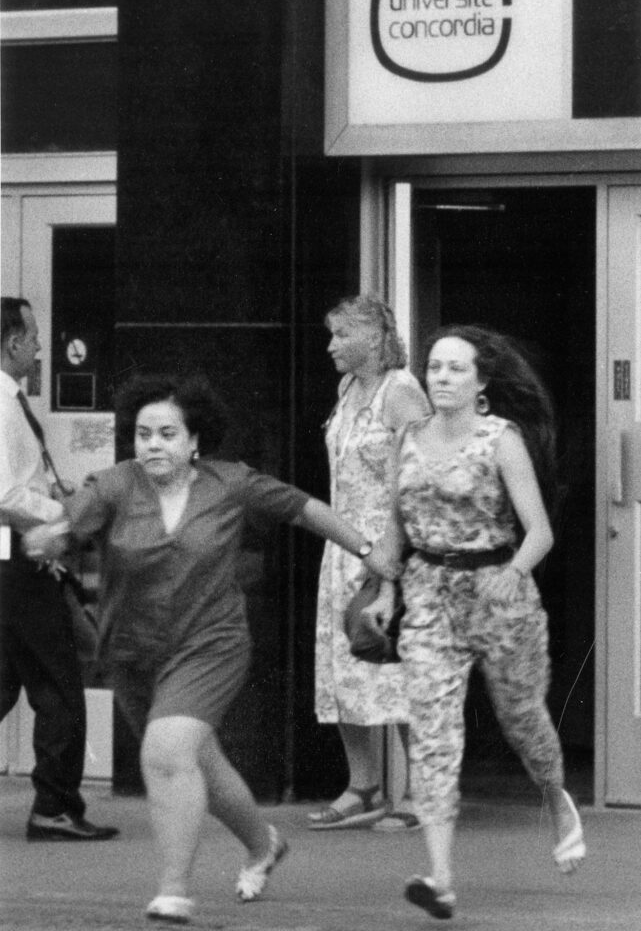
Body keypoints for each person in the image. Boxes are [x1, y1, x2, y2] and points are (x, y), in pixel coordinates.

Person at [25, 372, 394, 925]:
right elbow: (64, 522)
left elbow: (304, 508)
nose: (153, 444)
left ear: (194, 440)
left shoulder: (231, 484)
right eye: (144, 434)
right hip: (132, 650)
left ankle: (173, 890)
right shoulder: (114, 486)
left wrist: (368, 550)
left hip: (211, 644)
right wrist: (45, 536)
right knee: (201, 763)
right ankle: (264, 845)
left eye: (168, 434)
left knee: (167, 752)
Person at [366, 324, 586, 920]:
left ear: (482, 381)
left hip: (498, 595)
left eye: (456, 368)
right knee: (434, 737)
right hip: (429, 598)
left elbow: (539, 531)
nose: (441, 377)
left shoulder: (500, 441)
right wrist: (386, 589)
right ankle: (439, 879)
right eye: (435, 367)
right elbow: (396, 530)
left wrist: (513, 572)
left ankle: (555, 797)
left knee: (523, 720)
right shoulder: (406, 439)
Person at [0, 296, 118, 842]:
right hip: (18, 559)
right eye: (34, 336)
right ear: (13, 342)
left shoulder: (10, 400)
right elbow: (2, 493)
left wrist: (51, 490)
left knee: (4, 683)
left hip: (11, 558)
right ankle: (53, 807)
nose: (41, 346)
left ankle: (55, 804)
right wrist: (65, 513)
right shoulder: (1, 403)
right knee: (59, 687)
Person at [310, 295, 429, 831]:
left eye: (340, 335)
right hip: (344, 544)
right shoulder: (347, 388)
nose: (332, 345)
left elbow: (418, 478)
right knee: (345, 665)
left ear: (371, 338)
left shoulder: (400, 392)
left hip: (389, 545)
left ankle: (421, 791)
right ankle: (363, 784)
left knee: (399, 668)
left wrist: (390, 553)